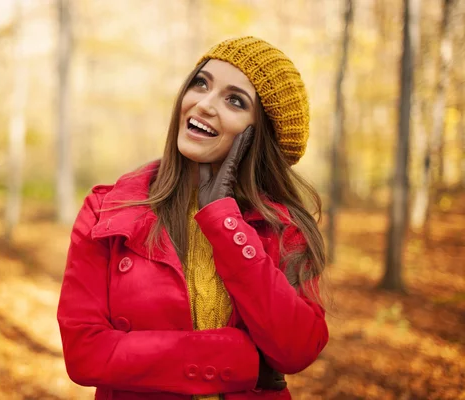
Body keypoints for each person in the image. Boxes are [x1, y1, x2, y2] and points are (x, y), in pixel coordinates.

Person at [57, 36, 329, 400]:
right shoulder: (108, 209)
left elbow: (296, 348)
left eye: (235, 100)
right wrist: (239, 359)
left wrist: (225, 224)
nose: (203, 104)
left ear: (260, 136)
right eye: (201, 83)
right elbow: (85, 355)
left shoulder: (281, 227)